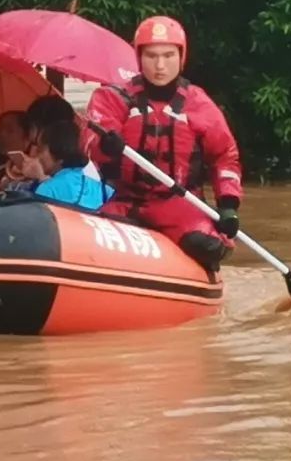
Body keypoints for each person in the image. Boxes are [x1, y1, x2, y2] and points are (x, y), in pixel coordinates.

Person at [84, 16, 243, 272]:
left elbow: (225, 156)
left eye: (168, 56)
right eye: (151, 56)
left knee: (206, 245)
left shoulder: (199, 104)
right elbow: (91, 139)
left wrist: (228, 206)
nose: (160, 65)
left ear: (181, 57)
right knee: (92, 242)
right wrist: (106, 145)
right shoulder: (113, 97)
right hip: (126, 201)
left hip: (178, 204)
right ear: (139, 57)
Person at [31, 120, 114, 211]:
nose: (36, 156)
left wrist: (40, 179)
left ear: (57, 152)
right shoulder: (104, 190)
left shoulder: (46, 189)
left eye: (40, 150)